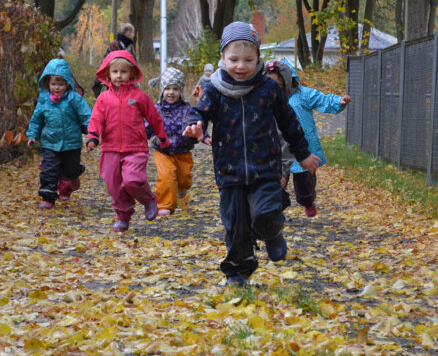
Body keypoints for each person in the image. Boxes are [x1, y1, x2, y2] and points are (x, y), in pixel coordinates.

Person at [183, 22, 320, 287]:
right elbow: (199, 113)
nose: (241, 66)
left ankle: (272, 233)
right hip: (229, 172)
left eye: (248, 59)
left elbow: (290, 123)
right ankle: (237, 273)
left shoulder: (268, 90)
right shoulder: (214, 90)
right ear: (222, 58)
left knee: (264, 215)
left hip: (265, 170)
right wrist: (194, 125)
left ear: (258, 58)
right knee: (235, 225)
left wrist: (302, 155)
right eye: (234, 59)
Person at [87, 50, 170, 232]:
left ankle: (148, 199)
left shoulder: (139, 97)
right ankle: (123, 216)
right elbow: (96, 119)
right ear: (108, 74)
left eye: (123, 72)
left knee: (132, 180)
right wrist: (93, 136)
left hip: (135, 148)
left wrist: (162, 136)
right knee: (113, 184)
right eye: (115, 72)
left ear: (132, 74)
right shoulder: (103, 98)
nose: (119, 76)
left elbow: (154, 117)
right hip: (110, 148)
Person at [266, 59, 350, 217]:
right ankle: (274, 210)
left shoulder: (303, 94)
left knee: (305, 185)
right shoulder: (265, 99)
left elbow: (322, 99)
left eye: (280, 84)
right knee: (275, 183)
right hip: (277, 149)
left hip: (302, 148)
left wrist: (338, 101)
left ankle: (307, 200)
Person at [25, 58, 93, 209]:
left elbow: (86, 115)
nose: (57, 87)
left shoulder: (74, 99)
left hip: (72, 143)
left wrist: (91, 132)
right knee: (49, 170)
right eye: (53, 84)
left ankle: (72, 179)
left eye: (61, 84)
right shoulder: (43, 102)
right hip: (50, 143)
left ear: (68, 83)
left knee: (70, 170)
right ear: (47, 84)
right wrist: (32, 135)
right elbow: (36, 120)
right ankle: (48, 197)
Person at [152, 67, 199, 217]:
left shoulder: (187, 109)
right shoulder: (156, 109)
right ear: (162, 90)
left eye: (175, 89)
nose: (171, 92)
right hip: (162, 150)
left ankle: (182, 192)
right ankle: (165, 205)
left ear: (181, 91)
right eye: (167, 88)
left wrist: (195, 133)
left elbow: (195, 123)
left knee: (183, 178)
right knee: (166, 176)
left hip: (182, 150)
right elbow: (148, 123)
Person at [92, 23, 136, 97]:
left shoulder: (130, 47)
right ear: (128, 32)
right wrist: (98, 81)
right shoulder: (115, 44)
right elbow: (105, 61)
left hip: (127, 78)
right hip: (114, 78)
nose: (133, 35)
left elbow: (134, 63)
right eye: (133, 32)